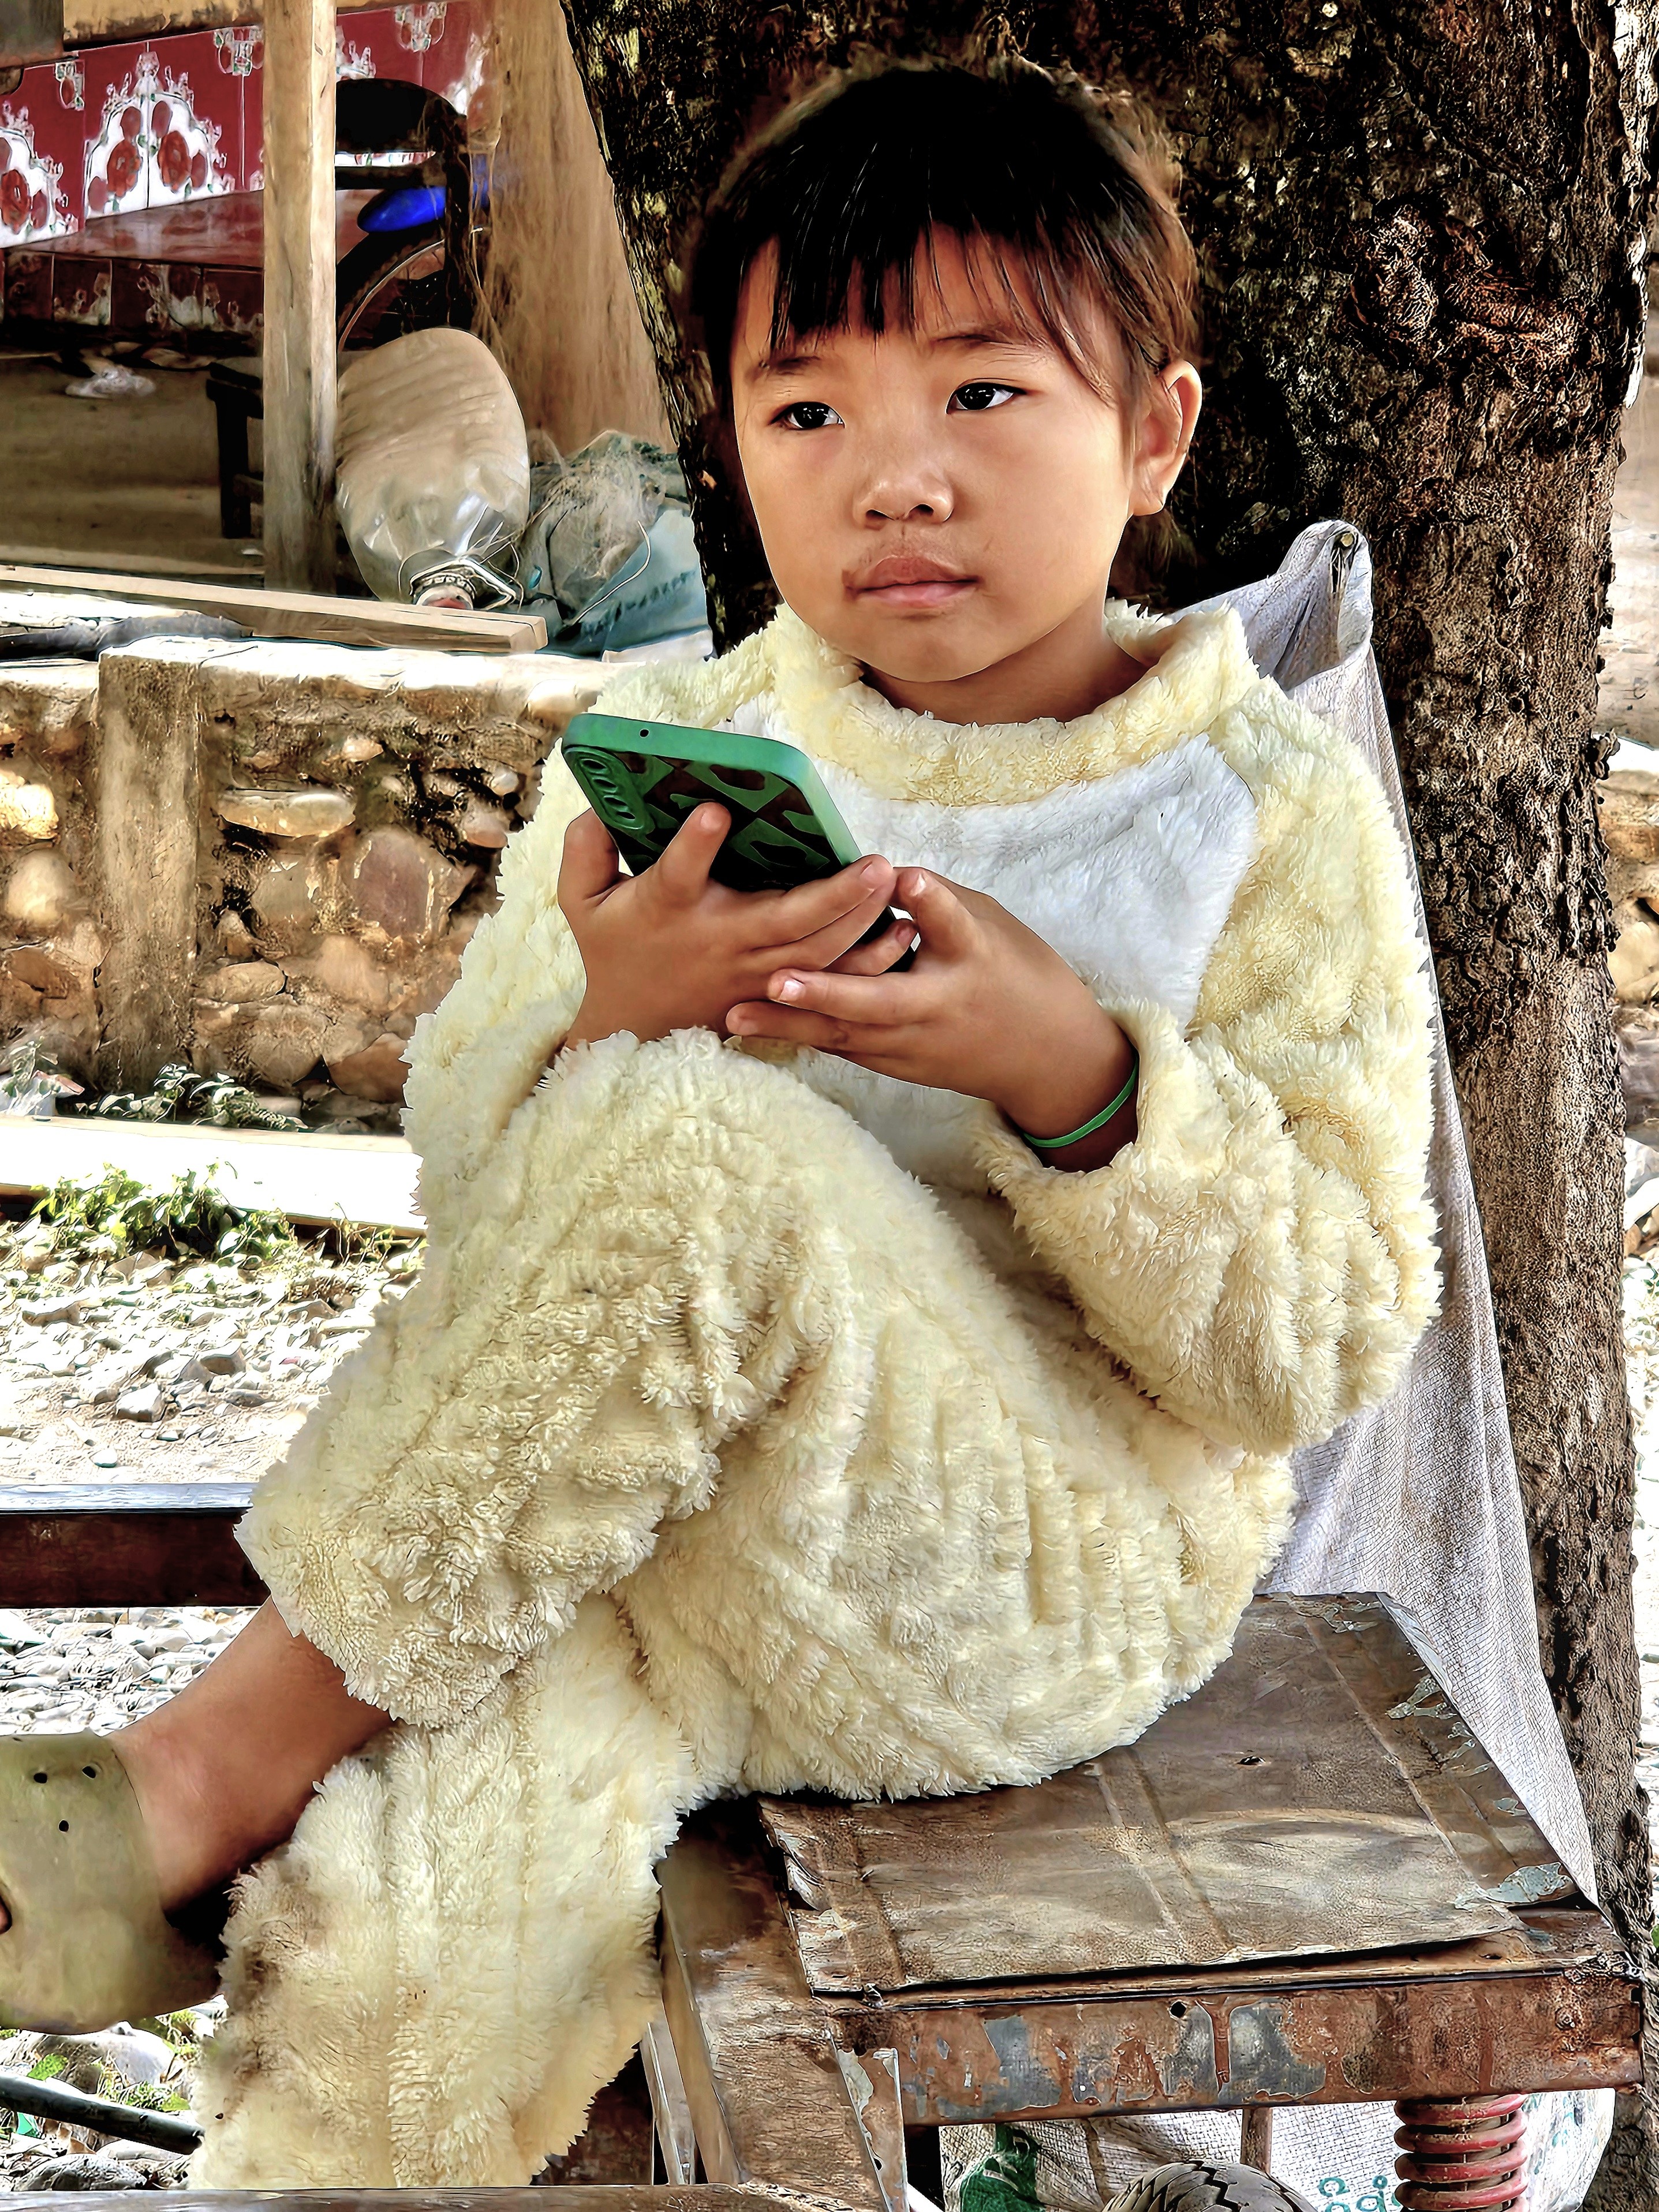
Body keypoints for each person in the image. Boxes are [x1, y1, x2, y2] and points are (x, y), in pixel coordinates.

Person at [0, 59, 1437, 2184]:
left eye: (980, 397)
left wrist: (1076, 1076)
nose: (895, 481)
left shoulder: (1258, 815)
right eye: (808, 412)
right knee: (412, 1940)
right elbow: (498, 1242)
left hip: (1031, 1582)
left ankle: (205, 1772)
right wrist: (602, 1013)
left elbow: (1315, 1352)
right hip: (662, 1573)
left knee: (701, 1150)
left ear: (1152, 434)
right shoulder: (678, 735)